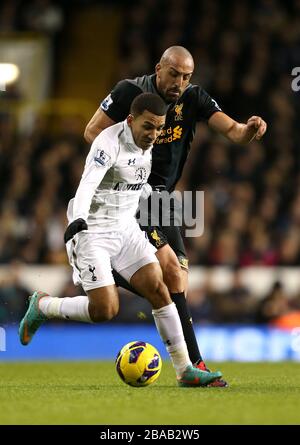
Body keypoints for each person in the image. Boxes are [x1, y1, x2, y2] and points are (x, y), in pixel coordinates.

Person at [84, 46, 267, 385]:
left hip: (162, 199)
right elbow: (92, 131)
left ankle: (103, 274)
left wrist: (248, 130)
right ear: (159, 68)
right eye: (174, 74)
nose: (179, 82)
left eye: (186, 76)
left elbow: (232, 131)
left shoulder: (194, 99)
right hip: (128, 194)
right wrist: (127, 162)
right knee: (168, 268)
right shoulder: (130, 92)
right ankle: (193, 367)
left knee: (177, 278)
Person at [19, 93, 222, 387]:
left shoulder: (145, 146)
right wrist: (77, 220)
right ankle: (44, 306)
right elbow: (87, 183)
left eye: (159, 128)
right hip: (92, 232)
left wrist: (158, 200)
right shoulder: (108, 143)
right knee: (105, 310)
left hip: (126, 228)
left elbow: (135, 185)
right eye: (148, 127)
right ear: (130, 120)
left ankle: (185, 369)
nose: (154, 135)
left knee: (158, 287)